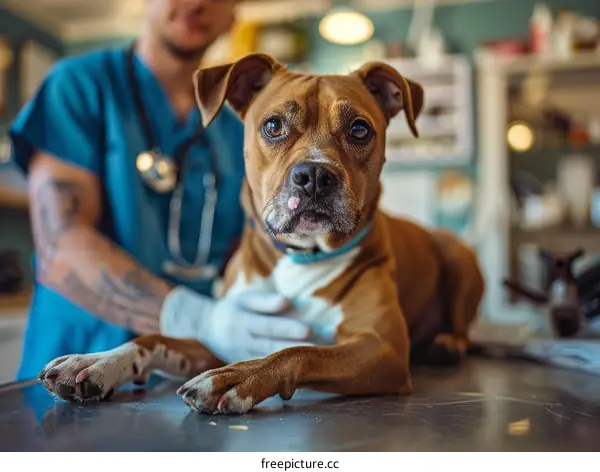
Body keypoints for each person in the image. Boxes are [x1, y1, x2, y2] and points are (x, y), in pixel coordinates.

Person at [9, 0, 314, 382]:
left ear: (233, 15)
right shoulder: (79, 85)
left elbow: (250, 249)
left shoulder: (241, 128)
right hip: (75, 366)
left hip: (189, 376)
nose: (198, 3)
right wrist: (195, 318)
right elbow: (60, 247)